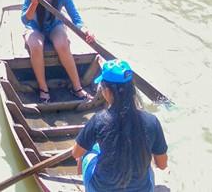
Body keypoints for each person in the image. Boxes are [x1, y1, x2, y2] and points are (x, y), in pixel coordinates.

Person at [72, 60, 168, 192]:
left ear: (107, 91)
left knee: (88, 151)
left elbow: (75, 152)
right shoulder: (152, 121)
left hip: (101, 189)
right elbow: (162, 165)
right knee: (148, 169)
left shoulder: (98, 120)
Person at [22, 0, 94, 103]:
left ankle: (77, 87)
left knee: (62, 44)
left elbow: (76, 18)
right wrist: (34, 4)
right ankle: (43, 89)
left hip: (55, 25)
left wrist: (85, 30)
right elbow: (25, 19)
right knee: (36, 46)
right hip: (34, 27)